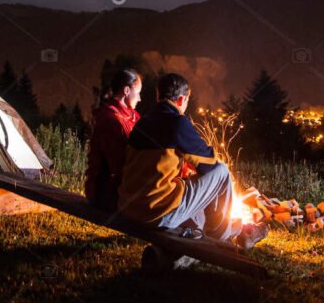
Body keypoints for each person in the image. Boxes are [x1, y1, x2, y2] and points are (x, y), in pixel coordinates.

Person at [118, 72, 267, 249]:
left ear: (159, 96)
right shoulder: (177, 122)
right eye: (187, 101)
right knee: (221, 171)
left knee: (193, 193)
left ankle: (215, 228)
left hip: (129, 209)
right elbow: (210, 162)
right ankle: (222, 235)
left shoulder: (142, 123)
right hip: (157, 214)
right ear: (181, 100)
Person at [84, 69, 142, 212]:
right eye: (138, 92)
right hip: (105, 193)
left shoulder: (132, 116)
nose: (140, 98)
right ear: (127, 90)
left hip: (122, 187)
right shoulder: (109, 120)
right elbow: (119, 165)